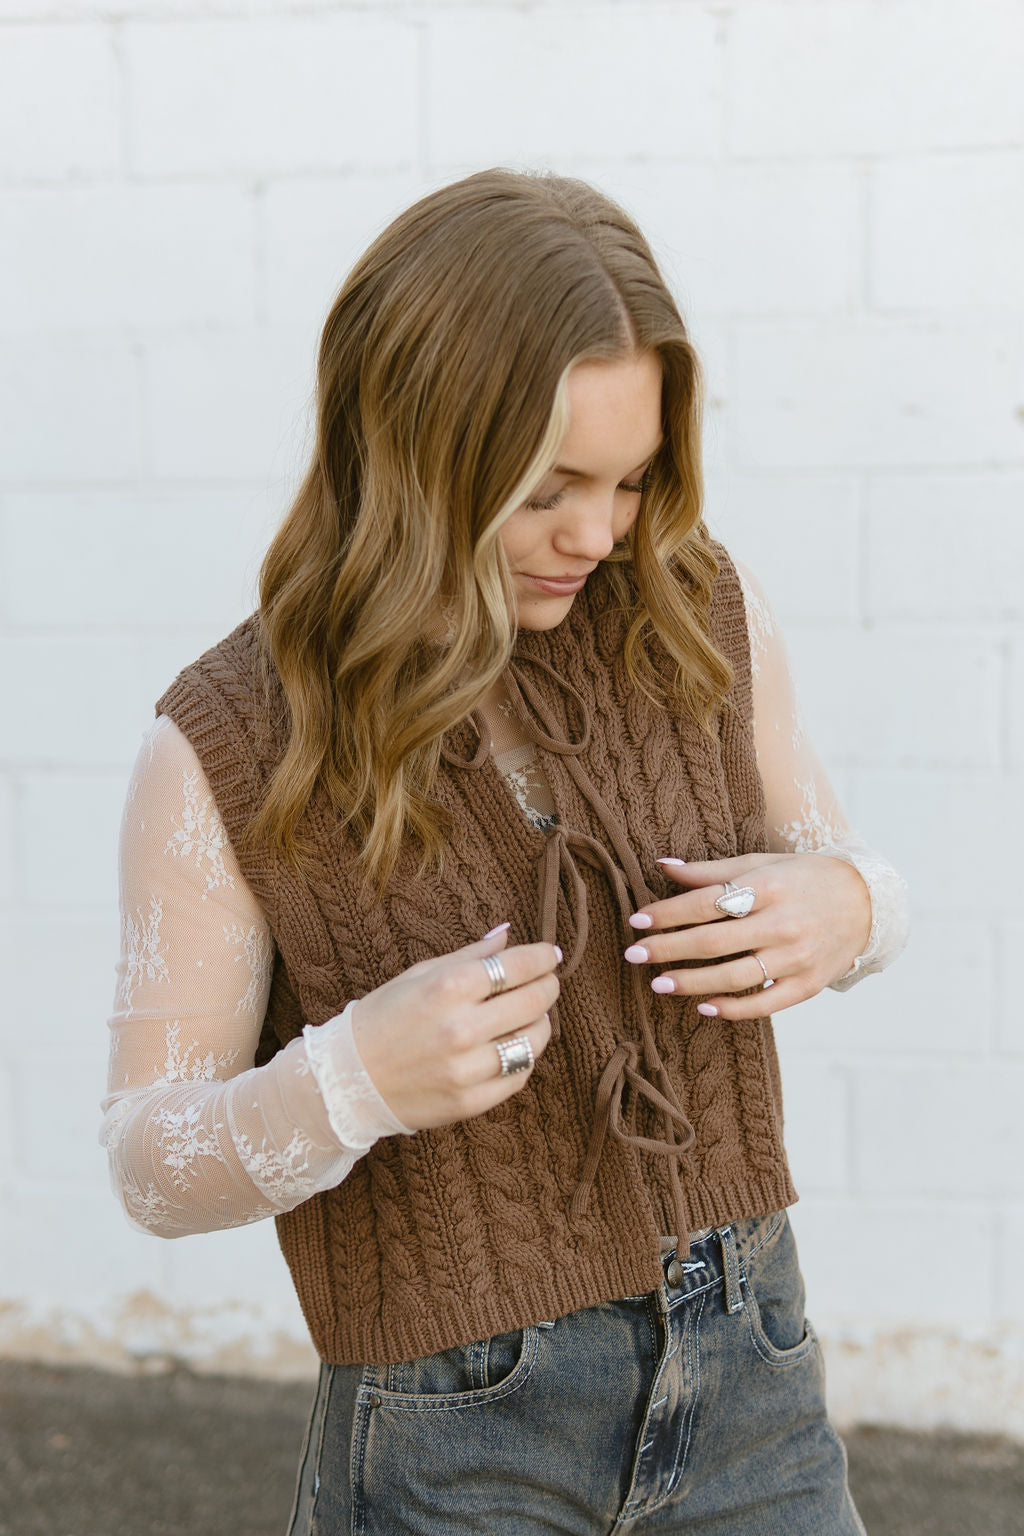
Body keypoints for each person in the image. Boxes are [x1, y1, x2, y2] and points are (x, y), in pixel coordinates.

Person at [102, 169, 907, 1535]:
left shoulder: (693, 609)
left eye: (634, 480)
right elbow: (145, 1162)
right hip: (451, 1435)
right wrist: (348, 1082)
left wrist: (852, 905)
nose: (599, 534)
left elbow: (840, 864)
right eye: (549, 489)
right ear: (417, 447)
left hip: (753, 1372)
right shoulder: (230, 746)